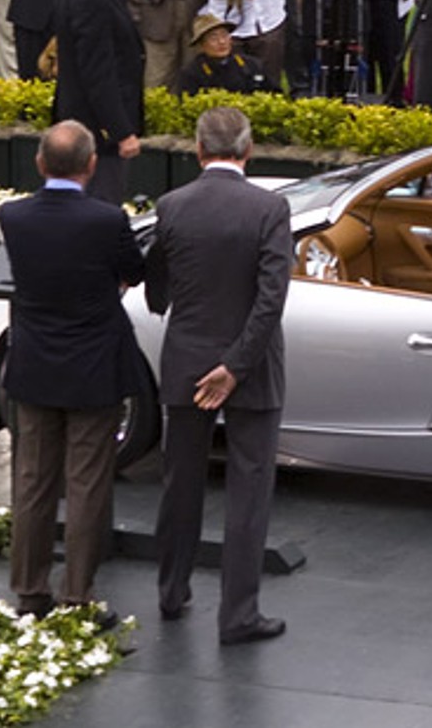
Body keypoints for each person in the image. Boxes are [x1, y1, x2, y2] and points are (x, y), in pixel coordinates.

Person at [150, 105, 292, 645]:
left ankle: (171, 591)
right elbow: (271, 299)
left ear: (198, 149)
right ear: (248, 150)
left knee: (179, 484)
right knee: (248, 491)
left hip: (186, 360)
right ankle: (237, 616)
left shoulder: (172, 206)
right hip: (251, 371)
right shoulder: (270, 208)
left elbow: (157, 290)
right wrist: (234, 366)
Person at [0, 119, 146, 624]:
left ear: (40, 164)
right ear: (91, 165)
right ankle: (77, 595)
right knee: (86, 485)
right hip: (93, 369)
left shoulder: (12, 217)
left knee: (33, 482)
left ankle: (29, 592)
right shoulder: (107, 220)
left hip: (35, 366)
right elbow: (133, 272)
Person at [51, 0, 145, 205]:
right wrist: (120, 131)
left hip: (86, 127)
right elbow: (98, 72)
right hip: (95, 135)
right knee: (99, 208)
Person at [177, 14, 274, 95]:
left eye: (224, 35)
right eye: (213, 38)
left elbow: (273, 93)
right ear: (202, 45)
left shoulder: (251, 65)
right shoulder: (192, 73)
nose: (221, 42)